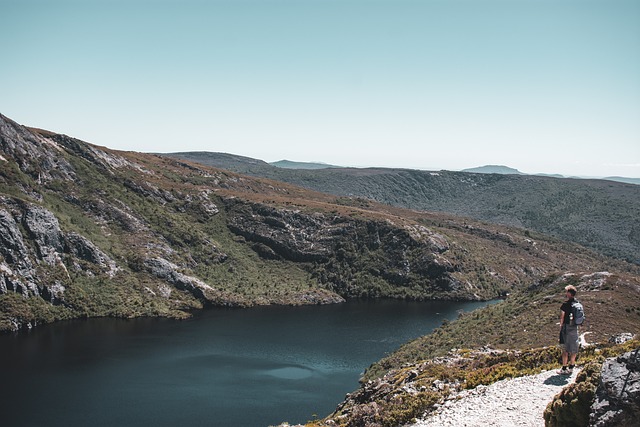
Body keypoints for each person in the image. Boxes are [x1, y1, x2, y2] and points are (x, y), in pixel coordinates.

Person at [557, 285, 580, 375]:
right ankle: (572, 366)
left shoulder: (565, 305)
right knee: (573, 347)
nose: (565, 293)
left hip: (566, 328)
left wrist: (561, 326)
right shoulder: (578, 304)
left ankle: (564, 368)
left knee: (565, 348)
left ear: (569, 294)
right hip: (574, 328)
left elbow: (562, 317)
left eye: (566, 292)